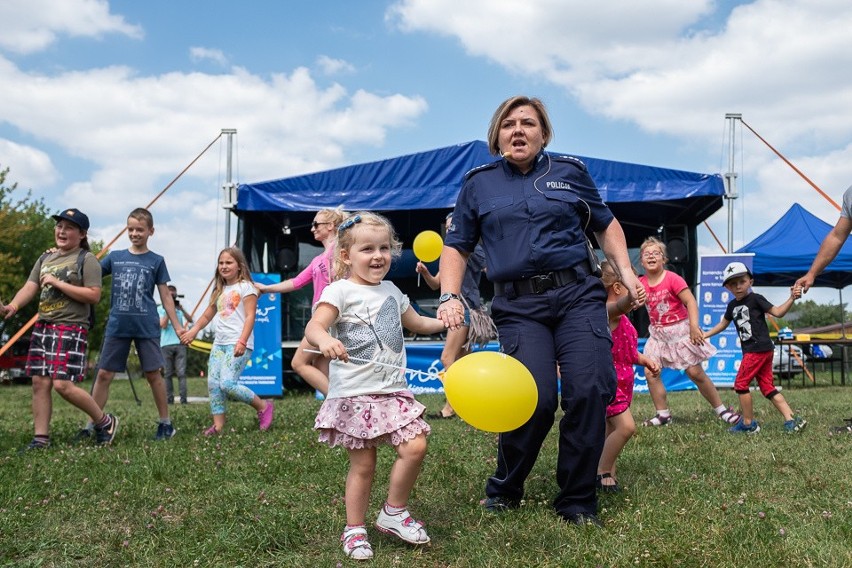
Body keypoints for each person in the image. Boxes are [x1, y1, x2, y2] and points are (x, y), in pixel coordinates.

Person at [437, 95, 643, 526]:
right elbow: (457, 245)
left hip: (578, 296)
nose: (518, 131)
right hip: (519, 304)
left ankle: (577, 499)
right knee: (534, 399)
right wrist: (450, 295)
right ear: (496, 136)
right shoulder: (478, 183)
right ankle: (506, 487)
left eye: (528, 123)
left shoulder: (571, 172)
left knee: (588, 390)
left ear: (543, 133)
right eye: (508, 124)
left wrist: (627, 270)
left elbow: (606, 224)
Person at [305, 212, 446, 561]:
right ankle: (354, 529)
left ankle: (393, 512)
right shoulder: (339, 290)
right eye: (367, 249)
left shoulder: (392, 291)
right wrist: (324, 340)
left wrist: (442, 320)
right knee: (363, 466)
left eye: (384, 248)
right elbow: (314, 326)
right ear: (346, 256)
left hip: (392, 390)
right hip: (355, 394)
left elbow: (415, 323)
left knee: (415, 447)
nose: (378, 256)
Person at [1, 208, 118, 450]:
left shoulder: (87, 260)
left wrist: (58, 283)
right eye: (59, 226)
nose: (61, 231)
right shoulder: (45, 259)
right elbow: (30, 286)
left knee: (62, 385)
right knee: (39, 383)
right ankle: (41, 438)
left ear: (82, 233)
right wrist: (13, 305)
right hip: (44, 326)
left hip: (71, 326)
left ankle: (104, 422)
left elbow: (94, 295)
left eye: (69, 227)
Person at [78, 207, 184, 442]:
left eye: (140, 229)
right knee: (104, 373)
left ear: (151, 231)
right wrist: (69, 256)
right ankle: (93, 424)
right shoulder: (115, 257)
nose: (135, 233)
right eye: (131, 229)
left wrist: (177, 326)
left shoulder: (156, 261)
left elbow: (166, 296)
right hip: (117, 325)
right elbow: (90, 271)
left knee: (152, 374)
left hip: (146, 326)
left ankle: (166, 424)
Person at [638, 236, 741, 427]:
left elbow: (690, 301)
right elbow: (632, 303)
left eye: (656, 253)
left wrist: (694, 326)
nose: (651, 256)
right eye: (647, 254)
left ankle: (722, 410)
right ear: (641, 261)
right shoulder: (640, 283)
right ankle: (663, 415)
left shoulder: (672, 278)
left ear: (664, 259)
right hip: (658, 336)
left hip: (681, 332)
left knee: (695, 372)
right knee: (650, 371)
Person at [704, 261, 807, 434]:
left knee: (741, 384)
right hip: (760, 350)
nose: (738, 286)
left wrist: (791, 298)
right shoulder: (731, 306)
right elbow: (723, 324)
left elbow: (778, 312)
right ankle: (792, 420)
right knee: (767, 387)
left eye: (742, 281)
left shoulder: (756, 298)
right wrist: (705, 335)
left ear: (750, 281)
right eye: (733, 284)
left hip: (758, 350)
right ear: (727, 287)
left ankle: (748, 424)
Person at [180, 247, 274, 435]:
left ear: (239, 266)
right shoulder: (219, 290)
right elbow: (207, 315)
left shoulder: (247, 287)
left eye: (228, 262)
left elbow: (250, 317)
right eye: (221, 263)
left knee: (227, 383)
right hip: (219, 344)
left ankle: (263, 406)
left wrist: (242, 341)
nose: (224, 266)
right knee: (214, 384)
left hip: (238, 342)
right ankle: (219, 426)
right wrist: (193, 331)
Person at [256, 208, 347, 397]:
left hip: (329, 319)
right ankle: (338, 409)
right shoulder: (318, 260)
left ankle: (340, 403)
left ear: (330, 226)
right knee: (321, 366)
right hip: (321, 320)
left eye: (316, 224)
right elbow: (296, 282)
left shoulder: (340, 251)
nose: (312, 228)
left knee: (298, 363)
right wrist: (265, 289)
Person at [415, 211, 494, 419]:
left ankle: (454, 407)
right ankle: (467, 404)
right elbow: (436, 284)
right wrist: (425, 273)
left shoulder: (472, 249)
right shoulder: (449, 252)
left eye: (454, 226)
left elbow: (490, 269)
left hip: (466, 310)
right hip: (457, 309)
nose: (450, 229)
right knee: (461, 362)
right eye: (448, 227)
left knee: (447, 358)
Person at [596, 261, 659, 492]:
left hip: (623, 384)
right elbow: (621, 307)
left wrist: (644, 360)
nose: (638, 287)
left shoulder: (623, 319)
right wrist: (630, 299)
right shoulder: (607, 312)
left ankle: (606, 469)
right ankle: (601, 472)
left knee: (609, 431)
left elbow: (627, 351)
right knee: (626, 427)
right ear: (617, 288)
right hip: (609, 382)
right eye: (633, 283)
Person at [159, 284, 193, 404]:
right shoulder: (159, 309)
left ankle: (184, 400)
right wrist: (169, 309)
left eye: (173, 293)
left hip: (180, 343)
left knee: (181, 373)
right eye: (170, 293)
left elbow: (191, 320)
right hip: (165, 345)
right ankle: (169, 399)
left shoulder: (179, 308)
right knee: (167, 373)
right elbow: (162, 325)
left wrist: (181, 309)